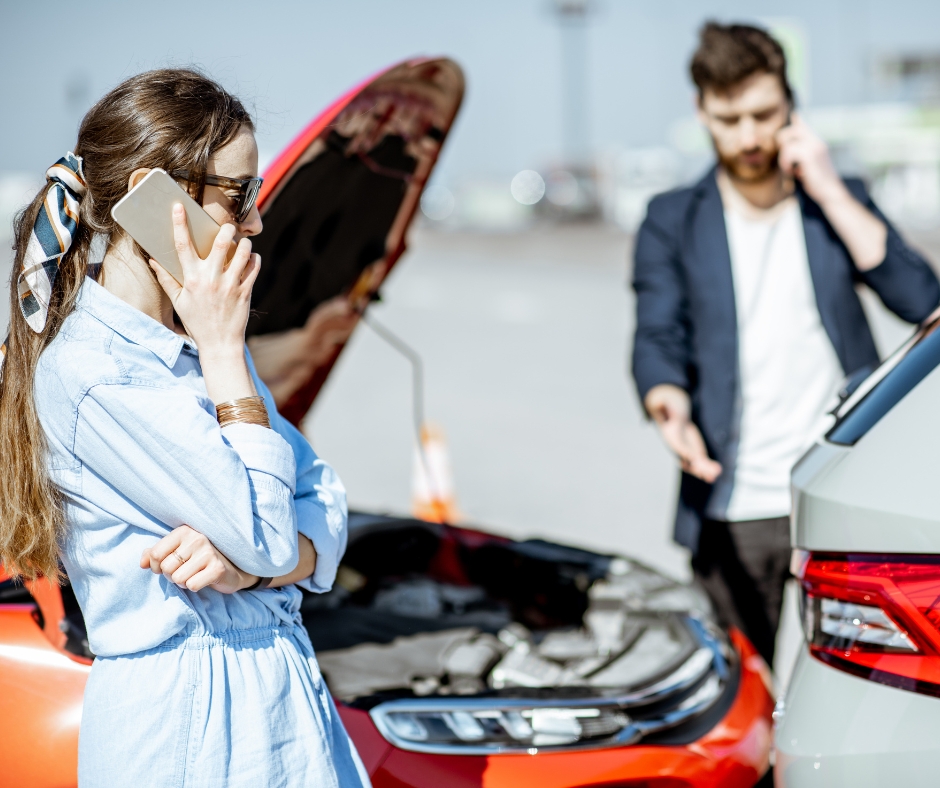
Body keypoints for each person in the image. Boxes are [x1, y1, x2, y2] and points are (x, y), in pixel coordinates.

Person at [0, 69, 370, 787]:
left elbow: (325, 495)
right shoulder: (93, 375)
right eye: (238, 195)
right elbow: (272, 526)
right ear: (154, 197)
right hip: (193, 727)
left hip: (276, 702)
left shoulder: (193, 348)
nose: (256, 222)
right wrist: (229, 353)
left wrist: (248, 567)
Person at [631, 23, 940, 667]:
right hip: (731, 505)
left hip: (834, 496)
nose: (748, 137)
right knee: (745, 710)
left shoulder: (835, 201)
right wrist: (669, 405)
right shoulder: (673, 219)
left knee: (845, 695)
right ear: (702, 112)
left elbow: (922, 302)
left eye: (764, 115)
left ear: (791, 108)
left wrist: (827, 188)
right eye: (729, 118)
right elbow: (657, 331)